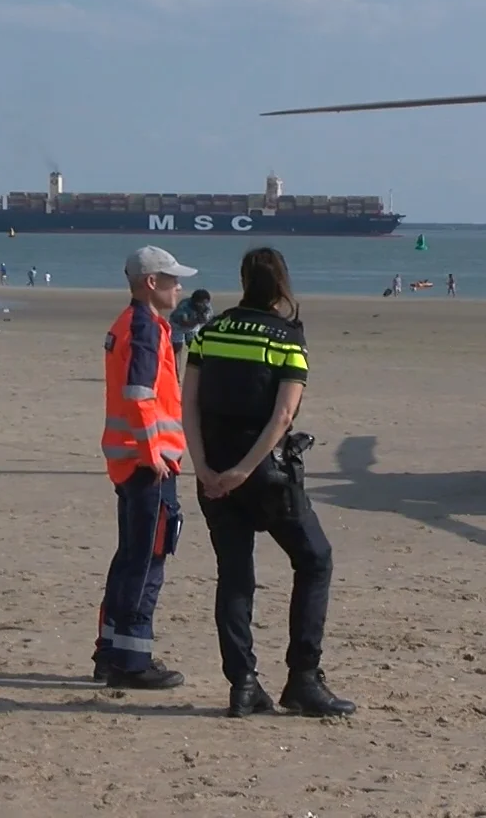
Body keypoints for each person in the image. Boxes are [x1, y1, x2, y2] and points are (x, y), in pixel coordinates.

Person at [185, 247, 354, 718]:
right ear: (282, 283)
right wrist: (245, 469)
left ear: (242, 279)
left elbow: (188, 406)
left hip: (213, 469)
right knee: (315, 559)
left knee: (235, 576)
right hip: (265, 474)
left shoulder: (209, 332)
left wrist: (203, 467)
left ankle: (242, 683)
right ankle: (303, 678)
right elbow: (283, 416)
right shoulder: (287, 339)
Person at [92, 245, 197, 689]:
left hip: (130, 460)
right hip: (147, 464)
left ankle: (111, 652)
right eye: (172, 279)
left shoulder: (135, 323)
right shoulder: (144, 327)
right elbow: (139, 394)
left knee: (131, 556)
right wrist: (154, 452)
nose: (180, 287)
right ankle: (131, 660)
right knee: (148, 560)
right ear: (150, 282)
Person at [169, 289, 215, 378]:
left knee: (194, 347)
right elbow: (185, 322)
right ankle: (175, 372)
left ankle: (195, 369)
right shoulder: (184, 306)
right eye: (200, 303)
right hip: (178, 325)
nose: (202, 306)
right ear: (194, 301)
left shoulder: (207, 307)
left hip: (194, 326)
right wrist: (199, 319)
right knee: (177, 347)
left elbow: (209, 320)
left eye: (204, 303)